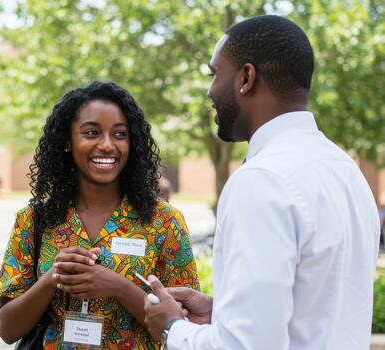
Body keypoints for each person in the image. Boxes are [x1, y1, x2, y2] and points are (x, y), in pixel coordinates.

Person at [143, 15, 381, 349]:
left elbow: (244, 346)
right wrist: (221, 310)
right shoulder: (345, 170)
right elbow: (314, 308)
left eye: (215, 75)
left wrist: (171, 328)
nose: (210, 92)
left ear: (246, 78)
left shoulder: (260, 181)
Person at [0, 81, 200, 349]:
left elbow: (185, 327)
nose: (106, 145)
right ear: (68, 141)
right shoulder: (34, 219)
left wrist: (119, 287)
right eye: (91, 133)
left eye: (119, 134)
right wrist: (52, 278)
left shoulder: (164, 222)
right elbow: (8, 330)